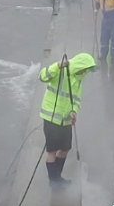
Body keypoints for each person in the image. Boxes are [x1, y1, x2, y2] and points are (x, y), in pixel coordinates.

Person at [38, 52, 97, 185]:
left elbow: (76, 100)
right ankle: (53, 181)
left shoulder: (78, 81)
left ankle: (57, 176)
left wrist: (73, 112)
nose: (86, 72)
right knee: (52, 151)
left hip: (65, 120)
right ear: (81, 67)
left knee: (65, 148)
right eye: (86, 69)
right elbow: (42, 76)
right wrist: (57, 66)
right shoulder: (60, 71)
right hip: (51, 118)